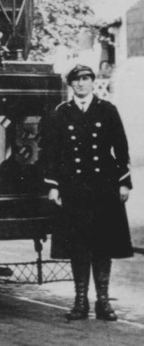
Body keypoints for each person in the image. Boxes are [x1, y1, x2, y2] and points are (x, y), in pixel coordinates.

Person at [42, 64, 133, 322]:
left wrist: (124, 183)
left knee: (102, 246)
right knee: (78, 246)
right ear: (70, 85)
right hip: (73, 189)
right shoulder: (61, 113)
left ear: (93, 82)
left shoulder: (107, 110)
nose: (82, 84)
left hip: (103, 188)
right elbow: (51, 154)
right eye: (77, 80)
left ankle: (103, 302)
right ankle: (80, 302)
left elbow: (121, 149)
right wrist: (53, 186)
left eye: (86, 79)